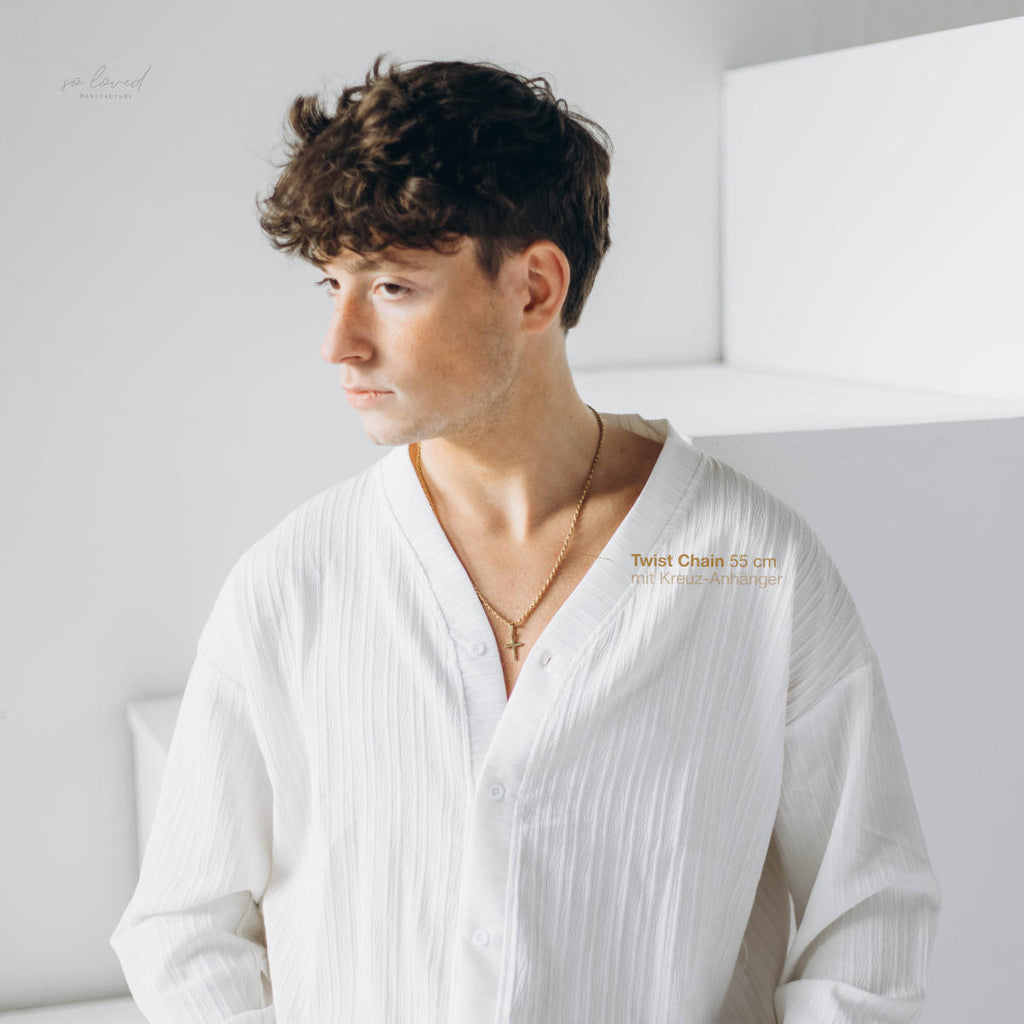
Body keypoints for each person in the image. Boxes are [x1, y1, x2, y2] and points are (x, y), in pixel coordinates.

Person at [110, 55, 940, 1023]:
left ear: (535, 288)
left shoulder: (757, 572)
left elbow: (871, 917)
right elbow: (183, 930)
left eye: (391, 287)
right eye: (331, 283)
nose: (339, 343)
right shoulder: (290, 586)